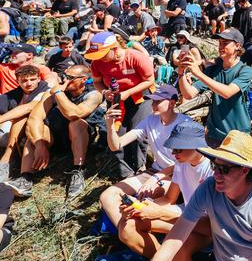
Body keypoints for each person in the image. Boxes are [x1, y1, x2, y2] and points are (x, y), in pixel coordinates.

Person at [140, 130, 252, 261]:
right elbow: (173, 241)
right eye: (215, 166)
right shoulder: (209, 188)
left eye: (224, 169)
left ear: (244, 170)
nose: (216, 174)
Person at [118, 120, 213, 261]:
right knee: (127, 226)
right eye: (173, 149)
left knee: (177, 250)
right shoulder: (182, 163)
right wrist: (142, 206)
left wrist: (160, 213)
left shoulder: (212, 170)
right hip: (184, 215)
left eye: (178, 149)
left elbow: (211, 225)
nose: (174, 154)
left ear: (197, 145)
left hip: (205, 228)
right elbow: (170, 198)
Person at [4, 65, 104, 198]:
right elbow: (34, 118)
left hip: (79, 138)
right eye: (64, 76)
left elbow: (74, 114)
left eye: (70, 78)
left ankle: (78, 170)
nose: (65, 80)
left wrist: (58, 93)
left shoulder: (94, 94)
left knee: (76, 124)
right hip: (55, 138)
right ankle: (25, 178)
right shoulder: (52, 93)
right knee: (36, 131)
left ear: (83, 80)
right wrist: (39, 144)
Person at [100, 85, 191, 231]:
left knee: (151, 199)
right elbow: (116, 145)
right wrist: (110, 125)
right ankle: (126, 232)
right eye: (152, 101)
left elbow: (186, 161)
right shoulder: (150, 120)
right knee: (107, 196)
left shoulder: (185, 123)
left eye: (158, 101)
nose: (153, 104)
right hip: (155, 171)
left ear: (173, 103)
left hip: (176, 174)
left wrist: (156, 178)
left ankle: (136, 231)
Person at [85, 31, 155, 178]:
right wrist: (104, 92)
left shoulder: (135, 57)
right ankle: (125, 171)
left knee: (137, 130)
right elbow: (97, 82)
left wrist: (128, 93)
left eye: (104, 55)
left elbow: (150, 80)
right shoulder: (97, 63)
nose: (101, 59)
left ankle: (139, 167)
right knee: (117, 132)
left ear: (115, 49)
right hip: (116, 99)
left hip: (140, 97)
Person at [178, 28, 252, 146]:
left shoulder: (245, 71)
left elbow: (227, 92)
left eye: (225, 43)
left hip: (237, 136)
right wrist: (181, 73)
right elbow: (188, 94)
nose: (220, 47)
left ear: (237, 46)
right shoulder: (213, 70)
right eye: (219, 43)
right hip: (214, 134)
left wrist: (198, 73)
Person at [0, 65, 50, 182]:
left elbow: (29, 107)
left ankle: (6, 161)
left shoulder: (46, 90)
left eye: (32, 79)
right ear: (17, 81)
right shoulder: (13, 94)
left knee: (21, 117)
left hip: (38, 134)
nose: (29, 83)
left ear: (39, 78)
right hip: (10, 134)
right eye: (24, 80)